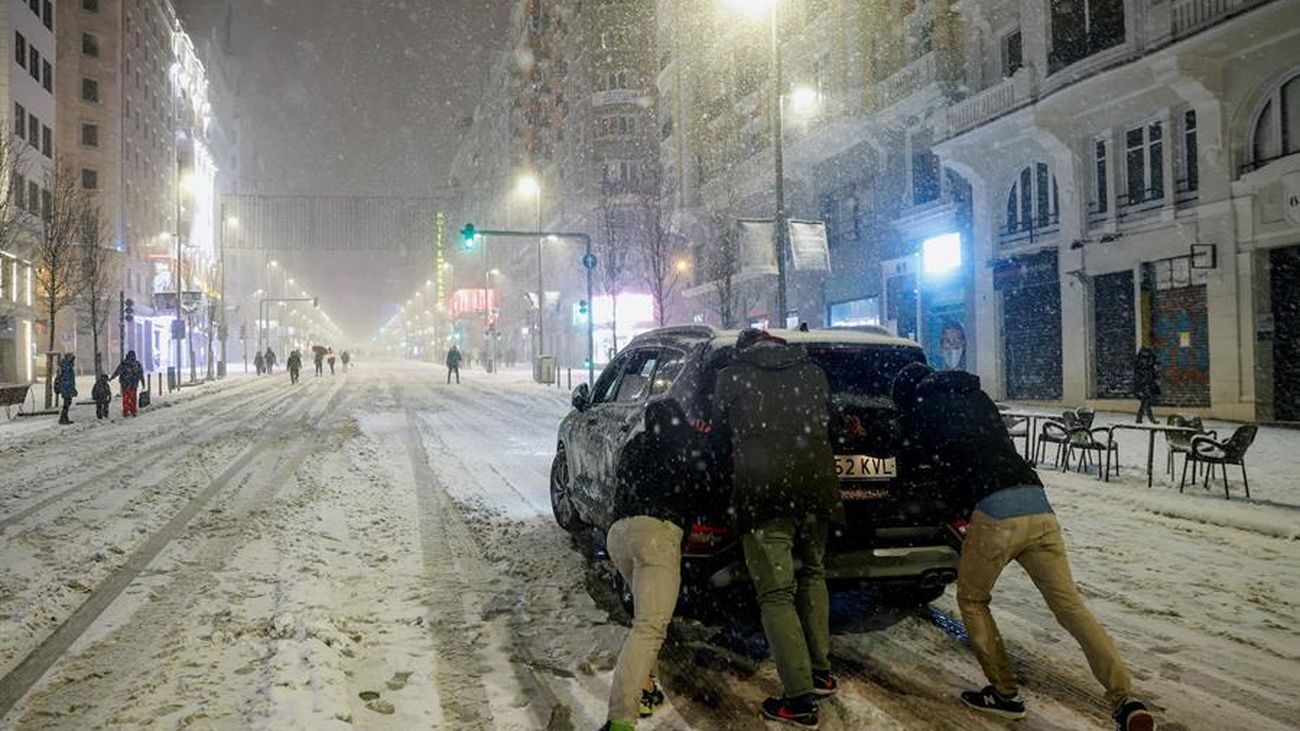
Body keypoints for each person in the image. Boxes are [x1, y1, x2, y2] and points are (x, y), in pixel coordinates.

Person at [892, 362, 1157, 731]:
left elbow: (918, 463)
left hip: (995, 511)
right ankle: (1125, 700)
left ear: (906, 394)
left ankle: (1004, 694)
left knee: (972, 599)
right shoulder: (975, 394)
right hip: (1037, 502)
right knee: (1070, 608)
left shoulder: (922, 407)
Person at [712, 328, 842, 728]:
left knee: (775, 593)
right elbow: (831, 420)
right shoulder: (813, 372)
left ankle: (800, 700)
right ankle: (820, 671)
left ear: (743, 350)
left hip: (765, 493)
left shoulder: (731, 375)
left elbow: (716, 433)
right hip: (817, 490)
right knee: (814, 573)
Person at [599, 399, 703, 731]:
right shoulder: (683, 444)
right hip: (656, 536)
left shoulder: (635, 445)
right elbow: (704, 484)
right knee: (649, 628)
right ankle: (620, 721)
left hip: (619, 535)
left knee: (645, 615)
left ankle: (644, 691)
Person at [110, 350, 146, 418]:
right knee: (133, 398)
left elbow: (117, 371)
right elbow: (140, 374)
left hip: (125, 384)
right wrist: (143, 382)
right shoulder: (137, 364)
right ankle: (133, 411)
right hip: (133, 384)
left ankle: (126, 411)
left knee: (126, 399)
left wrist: (112, 378)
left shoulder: (124, 363)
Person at [1133, 347, 1160, 424]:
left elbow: (1151, 374)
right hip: (1145, 386)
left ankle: (1139, 418)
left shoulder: (1142, 365)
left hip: (1146, 385)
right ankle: (1150, 419)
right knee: (1146, 402)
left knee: (1144, 403)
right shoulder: (1144, 365)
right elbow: (1139, 377)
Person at [54, 353, 78, 425]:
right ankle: (63, 418)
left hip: (67, 387)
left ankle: (64, 418)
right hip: (66, 388)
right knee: (66, 404)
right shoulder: (66, 367)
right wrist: (69, 389)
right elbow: (67, 379)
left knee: (67, 403)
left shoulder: (67, 366)